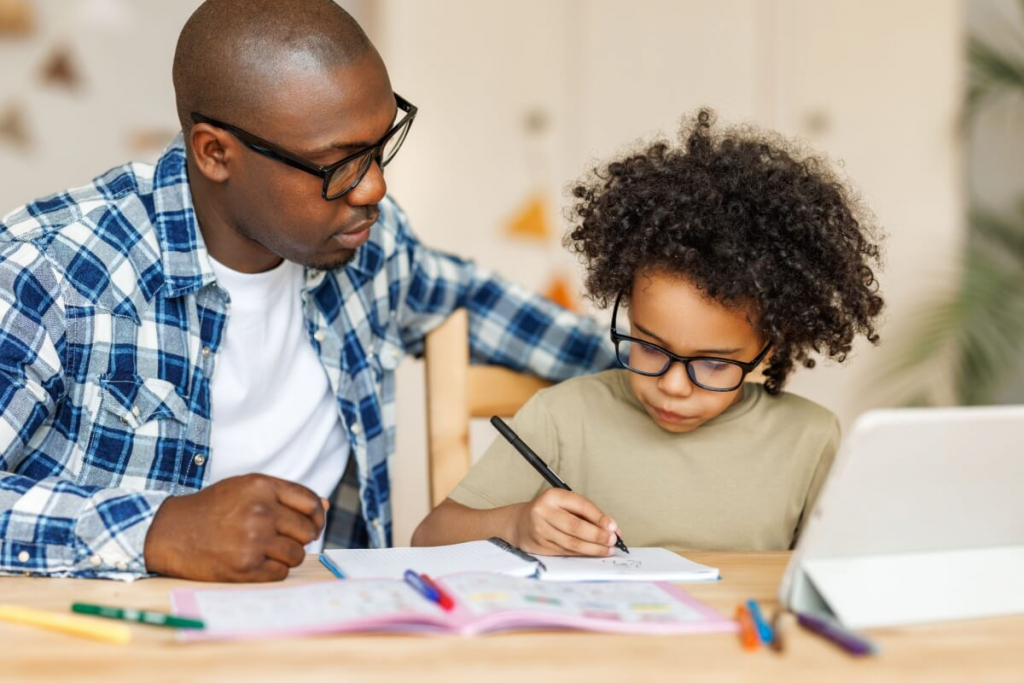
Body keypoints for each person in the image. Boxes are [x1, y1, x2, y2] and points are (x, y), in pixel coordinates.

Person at [0, 0, 615, 582]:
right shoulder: (50, 271)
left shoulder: (369, 246)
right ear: (216, 153)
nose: (373, 188)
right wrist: (159, 531)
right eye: (338, 163)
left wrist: (669, 363)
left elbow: (481, 307)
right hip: (115, 642)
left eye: (378, 147)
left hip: (329, 626)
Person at [412, 110, 885, 556]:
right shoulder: (562, 417)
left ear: (770, 346)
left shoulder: (809, 438)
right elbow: (429, 539)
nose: (672, 386)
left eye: (714, 363)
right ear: (628, 308)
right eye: (650, 347)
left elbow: (837, 575)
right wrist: (517, 525)